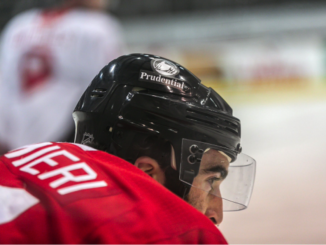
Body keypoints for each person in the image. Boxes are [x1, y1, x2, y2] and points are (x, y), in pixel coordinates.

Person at [0, 54, 256, 244]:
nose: (216, 214)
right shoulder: (167, 232)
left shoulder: (21, 158)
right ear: (147, 173)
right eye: (210, 180)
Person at [0, 0, 125, 154]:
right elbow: (111, 88)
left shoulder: (19, 24)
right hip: (65, 133)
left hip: (14, 131)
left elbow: (5, 86)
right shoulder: (97, 26)